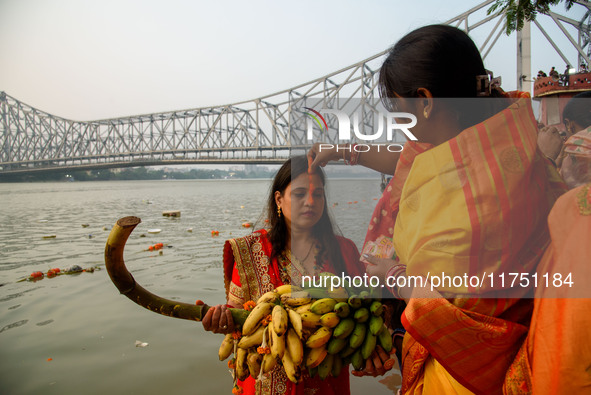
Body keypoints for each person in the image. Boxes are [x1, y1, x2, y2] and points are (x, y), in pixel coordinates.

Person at [308, 24, 565, 394]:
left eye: (397, 109)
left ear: (425, 101)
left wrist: (396, 276)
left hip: (464, 376)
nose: (397, 124)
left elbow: (458, 312)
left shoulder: (470, 199)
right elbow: (409, 158)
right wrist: (343, 150)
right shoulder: (509, 140)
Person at [202, 155, 363, 395]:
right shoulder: (251, 250)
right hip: (263, 383)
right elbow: (236, 316)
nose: (310, 202)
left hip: (326, 383)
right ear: (279, 199)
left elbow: (364, 314)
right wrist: (220, 319)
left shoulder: (344, 250)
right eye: (299, 194)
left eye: (318, 194)